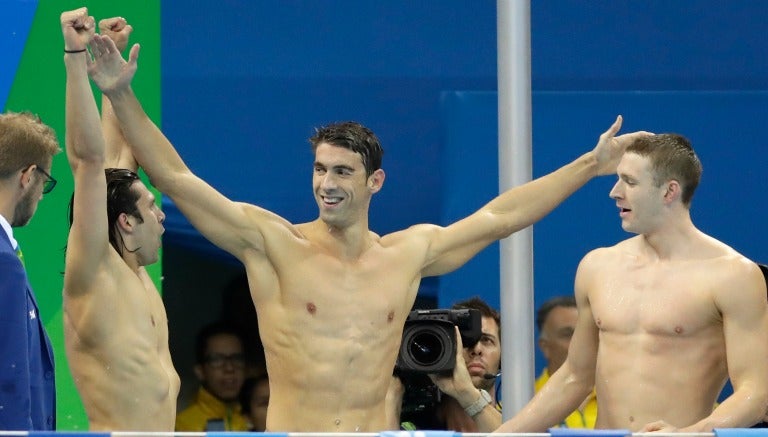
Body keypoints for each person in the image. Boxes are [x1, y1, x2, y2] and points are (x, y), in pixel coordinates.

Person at [86, 31, 649, 431]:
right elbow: (177, 179)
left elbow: (502, 216)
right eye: (319, 170)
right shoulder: (274, 243)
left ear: (374, 180)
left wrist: (588, 166)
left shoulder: (407, 254)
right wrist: (118, 93)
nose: (326, 184)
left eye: (341, 172)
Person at [497, 134, 768, 433]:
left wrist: (689, 434)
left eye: (630, 182)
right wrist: (503, 434)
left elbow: (755, 394)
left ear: (669, 191)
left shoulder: (733, 276)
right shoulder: (597, 267)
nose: (614, 192)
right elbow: (574, 377)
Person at [60, 8, 179, 431]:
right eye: (151, 207)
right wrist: (75, 55)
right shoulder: (96, 272)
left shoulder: (137, 277)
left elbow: (112, 162)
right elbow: (89, 162)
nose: (163, 217)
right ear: (126, 222)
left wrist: (111, 74)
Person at [0, 109, 60, 429]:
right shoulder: (3, 261)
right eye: (44, 184)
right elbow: (8, 384)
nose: (40, 196)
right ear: (28, 176)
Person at [428, 296, 503, 432]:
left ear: (502, 359)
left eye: (486, 340)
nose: (476, 349)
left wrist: (467, 394)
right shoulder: (417, 426)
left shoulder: (519, 423)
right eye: (465, 339)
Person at [534, 295, 596, 428]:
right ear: (545, 347)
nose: (580, 342)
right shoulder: (523, 402)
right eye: (568, 334)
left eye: (587, 333)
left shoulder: (618, 401)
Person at [176, 322, 250, 432]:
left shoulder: (258, 417)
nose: (229, 368)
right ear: (200, 371)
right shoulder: (181, 426)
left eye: (236, 358)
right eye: (217, 360)